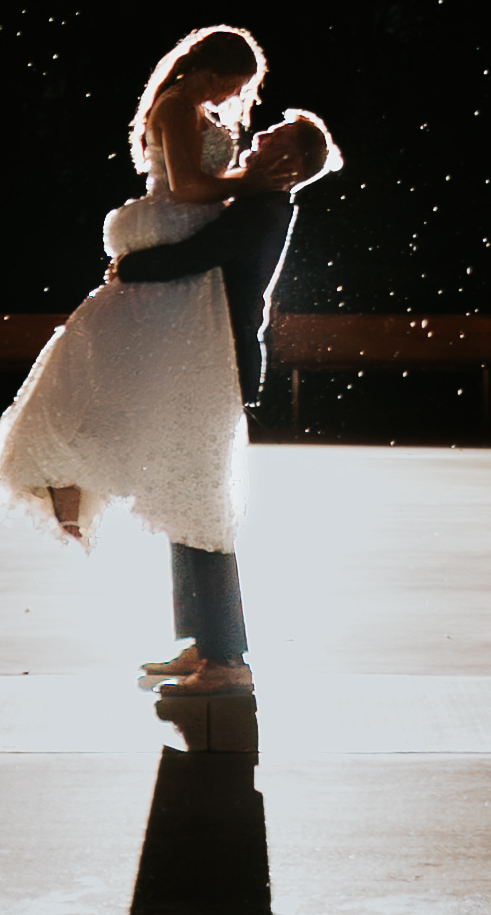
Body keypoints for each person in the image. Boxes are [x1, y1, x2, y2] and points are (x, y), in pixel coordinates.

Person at [0, 27, 268, 572]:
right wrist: (250, 182)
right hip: (177, 232)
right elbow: (186, 187)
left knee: (153, 369)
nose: (238, 96)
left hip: (192, 242)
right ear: (222, 72)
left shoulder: (194, 109)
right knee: (121, 360)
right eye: (238, 83)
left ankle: (130, 467)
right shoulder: (179, 106)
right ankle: (77, 472)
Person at [103, 107, 341, 693]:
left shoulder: (263, 208)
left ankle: (227, 660)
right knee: (188, 501)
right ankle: (201, 645)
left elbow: (196, 255)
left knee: (204, 508)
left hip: (222, 361)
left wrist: (130, 264)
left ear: (288, 164)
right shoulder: (256, 202)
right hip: (204, 358)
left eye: (273, 138)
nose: (256, 137)